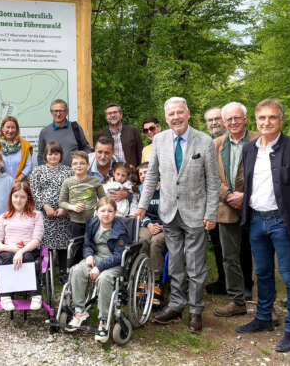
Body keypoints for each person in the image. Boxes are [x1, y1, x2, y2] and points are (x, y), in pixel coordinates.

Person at [235, 99, 290, 353]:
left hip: (283, 222)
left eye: (272, 117)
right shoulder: (249, 149)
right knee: (262, 273)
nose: (266, 122)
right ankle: (263, 318)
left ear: (281, 120)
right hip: (256, 220)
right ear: (255, 120)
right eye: (262, 118)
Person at [135, 97, 219, 334]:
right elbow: (151, 176)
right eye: (171, 114)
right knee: (174, 264)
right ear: (166, 117)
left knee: (195, 265)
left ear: (188, 113)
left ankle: (195, 310)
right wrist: (142, 206)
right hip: (169, 213)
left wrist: (211, 212)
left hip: (196, 213)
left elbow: (213, 181)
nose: (175, 117)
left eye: (179, 112)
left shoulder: (204, 141)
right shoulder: (159, 140)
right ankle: (175, 305)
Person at [212, 102, 259, 318]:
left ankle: (265, 304)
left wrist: (246, 195)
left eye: (237, 118)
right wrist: (227, 194)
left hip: (257, 205)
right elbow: (210, 176)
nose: (233, 122)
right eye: (229, 119)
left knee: (262, 254)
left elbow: (269, 174)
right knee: (229, 256)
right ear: (223, 122)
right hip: (227, 206)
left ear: (246, 119)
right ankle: (236, 300)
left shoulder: (260, 139)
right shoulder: (216, 144)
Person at [66, 197, 131, 343]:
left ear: (115, 213)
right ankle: (79, 311)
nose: (106, 214)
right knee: (76, 270)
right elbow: (87, 243)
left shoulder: (121, 230)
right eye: (102, 211)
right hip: (95, 257)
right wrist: (88, 255)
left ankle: (103, 319)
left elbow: (118, 256)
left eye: (110, 211)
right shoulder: (92, 223)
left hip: (113, 262)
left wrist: (99, 268)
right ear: (96, 212)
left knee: (104, 278)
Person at [0, 182, 45, 311]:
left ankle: (35, 295)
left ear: (28, 199)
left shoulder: (36, 215)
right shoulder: (4, 217)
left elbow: (37, 239)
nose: (18, 200)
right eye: (16, 196)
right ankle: (5, 296)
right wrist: (12, 248)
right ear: (11, 197)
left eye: (22, 197)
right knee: (6, 258)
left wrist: (20, 251)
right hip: (9, 249)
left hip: (29, 249)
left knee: (27, 257)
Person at [28, 141, 74, 282]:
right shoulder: (38, 171)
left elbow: (72, 191)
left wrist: (64, 208)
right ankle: (45, 271)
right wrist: (45, 206)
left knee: (62, 244)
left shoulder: (68, 171)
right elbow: (34, 191)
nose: (53, 157)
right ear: (45, 156)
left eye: (56, 154)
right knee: (45, 243)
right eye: (50, 154)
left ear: (60, 155)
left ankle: (62, 271)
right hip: (44, 215)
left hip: (62, 215)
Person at [59, 151, 107, 265]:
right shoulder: (68, 182)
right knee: (77, 247)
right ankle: (75, 270)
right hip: (75, 222)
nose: (79, 166)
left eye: (82, 163)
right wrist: (72, 207)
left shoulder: (94, 181)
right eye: (75, 163)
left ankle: (93, 268)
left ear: (88, 165)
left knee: (93, 245)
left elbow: (103, 199)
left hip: (93, 222)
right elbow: (61, 202)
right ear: (71, 166)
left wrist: (97, 207)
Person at [130, 162, 165, 304]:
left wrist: (162, 226)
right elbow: (140, 211)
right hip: (147, 224)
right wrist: (149, 224)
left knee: (156, 242)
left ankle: (156, 282)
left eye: (147, 172)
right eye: (141, 174)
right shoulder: (140, 190)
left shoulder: (166, 189)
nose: (144, 176)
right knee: (143, 240)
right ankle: (143, 279)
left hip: (165, 226)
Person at [203, 106, 228, 295]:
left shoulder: (235, 141)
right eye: (210, 120)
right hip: (212, 202)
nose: (214, 123)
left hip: (235, 199)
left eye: (217, 119)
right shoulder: (205, 143)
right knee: (218, 243)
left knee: (240, 244)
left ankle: (243, 284)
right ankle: (223, 280)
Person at [37, 99, 92, 166]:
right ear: (51, 112)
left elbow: (85, 148)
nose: (58, 114)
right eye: (55, 111)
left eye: (61, 111)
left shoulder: (76, 128)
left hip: (74, 172)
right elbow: (41, 155)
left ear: (67, 112)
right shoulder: (45, 132)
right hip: (53, 174)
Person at [0, 116, 33, 181]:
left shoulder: (25, 145)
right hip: (0, 183)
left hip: (19, 185)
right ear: (2, 128)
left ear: (16, 130)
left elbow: (29, 166)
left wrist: (18, 179)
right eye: (8, 127)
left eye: (13, 127)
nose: (10, 131)